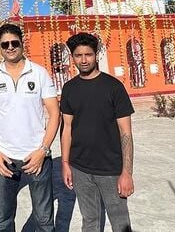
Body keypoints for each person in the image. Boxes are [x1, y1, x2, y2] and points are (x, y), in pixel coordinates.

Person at [0, 23, 60, 232]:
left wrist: (43, 150)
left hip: (37, 156)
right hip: (5, 158)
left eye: (14, 42)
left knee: (44, 219)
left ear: (22, 43)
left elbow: (54, 113)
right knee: (4, 219)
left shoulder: (39, 73)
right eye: (5, 44)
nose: (10, 47)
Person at [60, 32, 135, 232]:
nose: (84, 60)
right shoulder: (69, 89)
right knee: (90, 220)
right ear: (72, 57)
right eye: (78, 55)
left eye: (88, 54)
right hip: (80, 168)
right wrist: (65, 164)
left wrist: (126, 172)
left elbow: (126, 133)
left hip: (111, 169)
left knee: (120, 222)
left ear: (96, 55)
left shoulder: (114, 87)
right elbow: (66, 129)